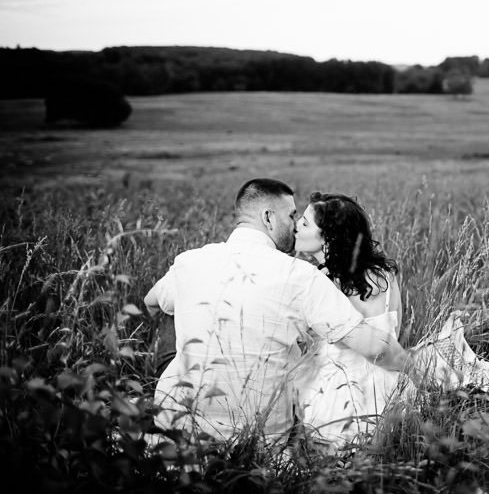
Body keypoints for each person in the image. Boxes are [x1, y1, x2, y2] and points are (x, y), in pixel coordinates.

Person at [143, 179, 448, 449]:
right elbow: (375, 345)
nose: (295, 223)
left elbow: (151, 302)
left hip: (178, 424)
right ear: (267, 217)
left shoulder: (190, 262)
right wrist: (416, 369)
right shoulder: (299, 275)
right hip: (258, 435)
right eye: (291, 215)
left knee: (175, 310)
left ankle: (178, 386)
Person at [293, 192, 489, 450]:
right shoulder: (383, 275)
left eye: (304, 223)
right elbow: (394, 330)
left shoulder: (319, 283)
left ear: (328, 239)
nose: (296, 225)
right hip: (389, 383)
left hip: (340, 393)